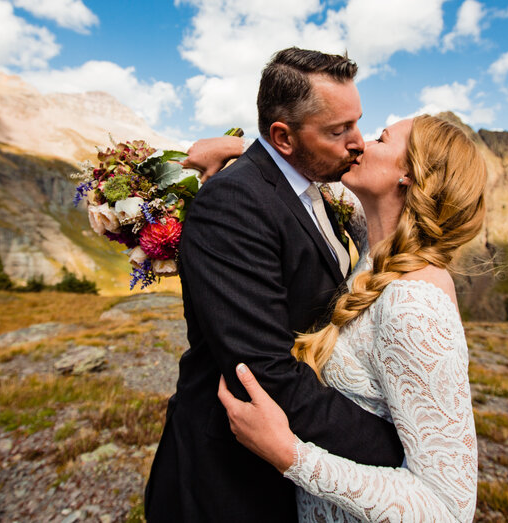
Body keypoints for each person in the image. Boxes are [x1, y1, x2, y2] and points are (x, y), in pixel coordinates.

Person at [143, 48, 405, 522]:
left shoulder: (310, 179)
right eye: (338, 130)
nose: (358, 142)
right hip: (225, 479)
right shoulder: (233, 204)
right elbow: (264, 370)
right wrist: (400, 448)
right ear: (283, 137)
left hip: (282, 467)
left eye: (357, 123)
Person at [217, 114, 486, 522]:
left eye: (381, 138)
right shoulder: (373, 240)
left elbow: (449, 510)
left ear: (410, 175)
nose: (359, 143)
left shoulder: (415, 308)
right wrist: (235, 150)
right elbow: (299, 175)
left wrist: (291, 456)